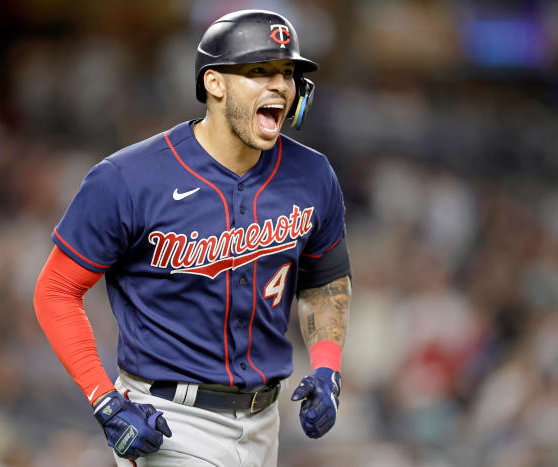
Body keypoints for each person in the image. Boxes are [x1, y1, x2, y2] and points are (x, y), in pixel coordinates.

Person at [33, 9, 351, 467]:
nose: (279, 84)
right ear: (215, 84)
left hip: (265, 424)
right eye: (259, 70)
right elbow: (57, 290)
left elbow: (325, 280)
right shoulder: (129, 178)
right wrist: (102, 398)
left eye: (287, 72)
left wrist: (327, 368)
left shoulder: (312, 173)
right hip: (171, 420)